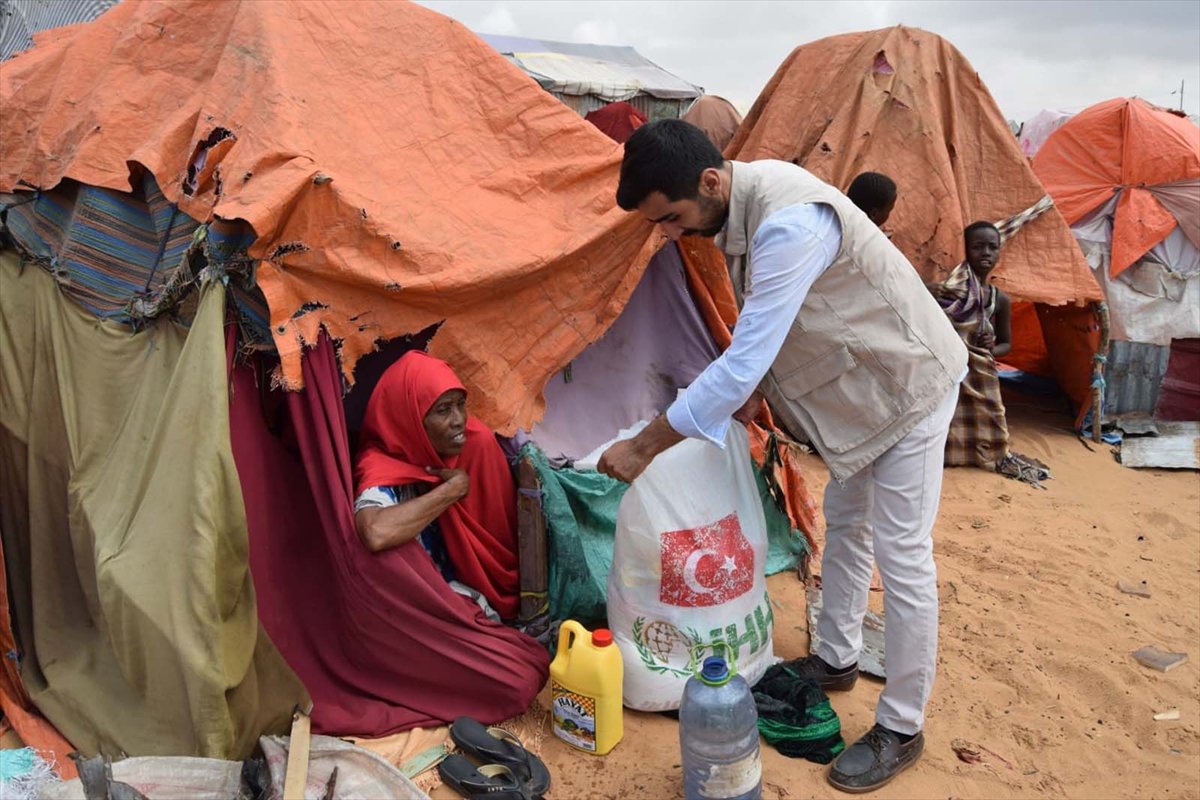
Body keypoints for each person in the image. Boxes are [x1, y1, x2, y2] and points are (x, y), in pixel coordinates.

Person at [597, 120, 967, 793]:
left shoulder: (788, 224)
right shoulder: (742, 209)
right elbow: (772, 332)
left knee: (903, 552)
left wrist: (645, 446)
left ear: (710, 181)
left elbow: (743, 361)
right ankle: (836, 657)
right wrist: (746, 394)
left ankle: (902, 726)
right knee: (847, 523)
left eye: (675, 218)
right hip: (862, 398)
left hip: (909, 386)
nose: (676, 233)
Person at [350, 350, 548, 721]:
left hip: (450, 603)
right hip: (411, 619)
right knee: (519, 677)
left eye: (460, 405)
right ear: (408, 418)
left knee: (533, 660)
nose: (459, 420)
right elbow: (375, 532)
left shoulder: (460, 450)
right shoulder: (382, 467)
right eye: (442, 411)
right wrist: (451, 491)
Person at [930, 222, 1048, 483]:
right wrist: (928, 291)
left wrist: (990, 345)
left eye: (992, 248)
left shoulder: (999, 298)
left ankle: (986, 455)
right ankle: (948, 457)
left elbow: (1007, 345)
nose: (986, 253)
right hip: (947, 368)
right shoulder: (946, 294)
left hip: (980, 373)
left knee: (990, 417)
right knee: (943, 417)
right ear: (966, 251)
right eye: (977, 247)